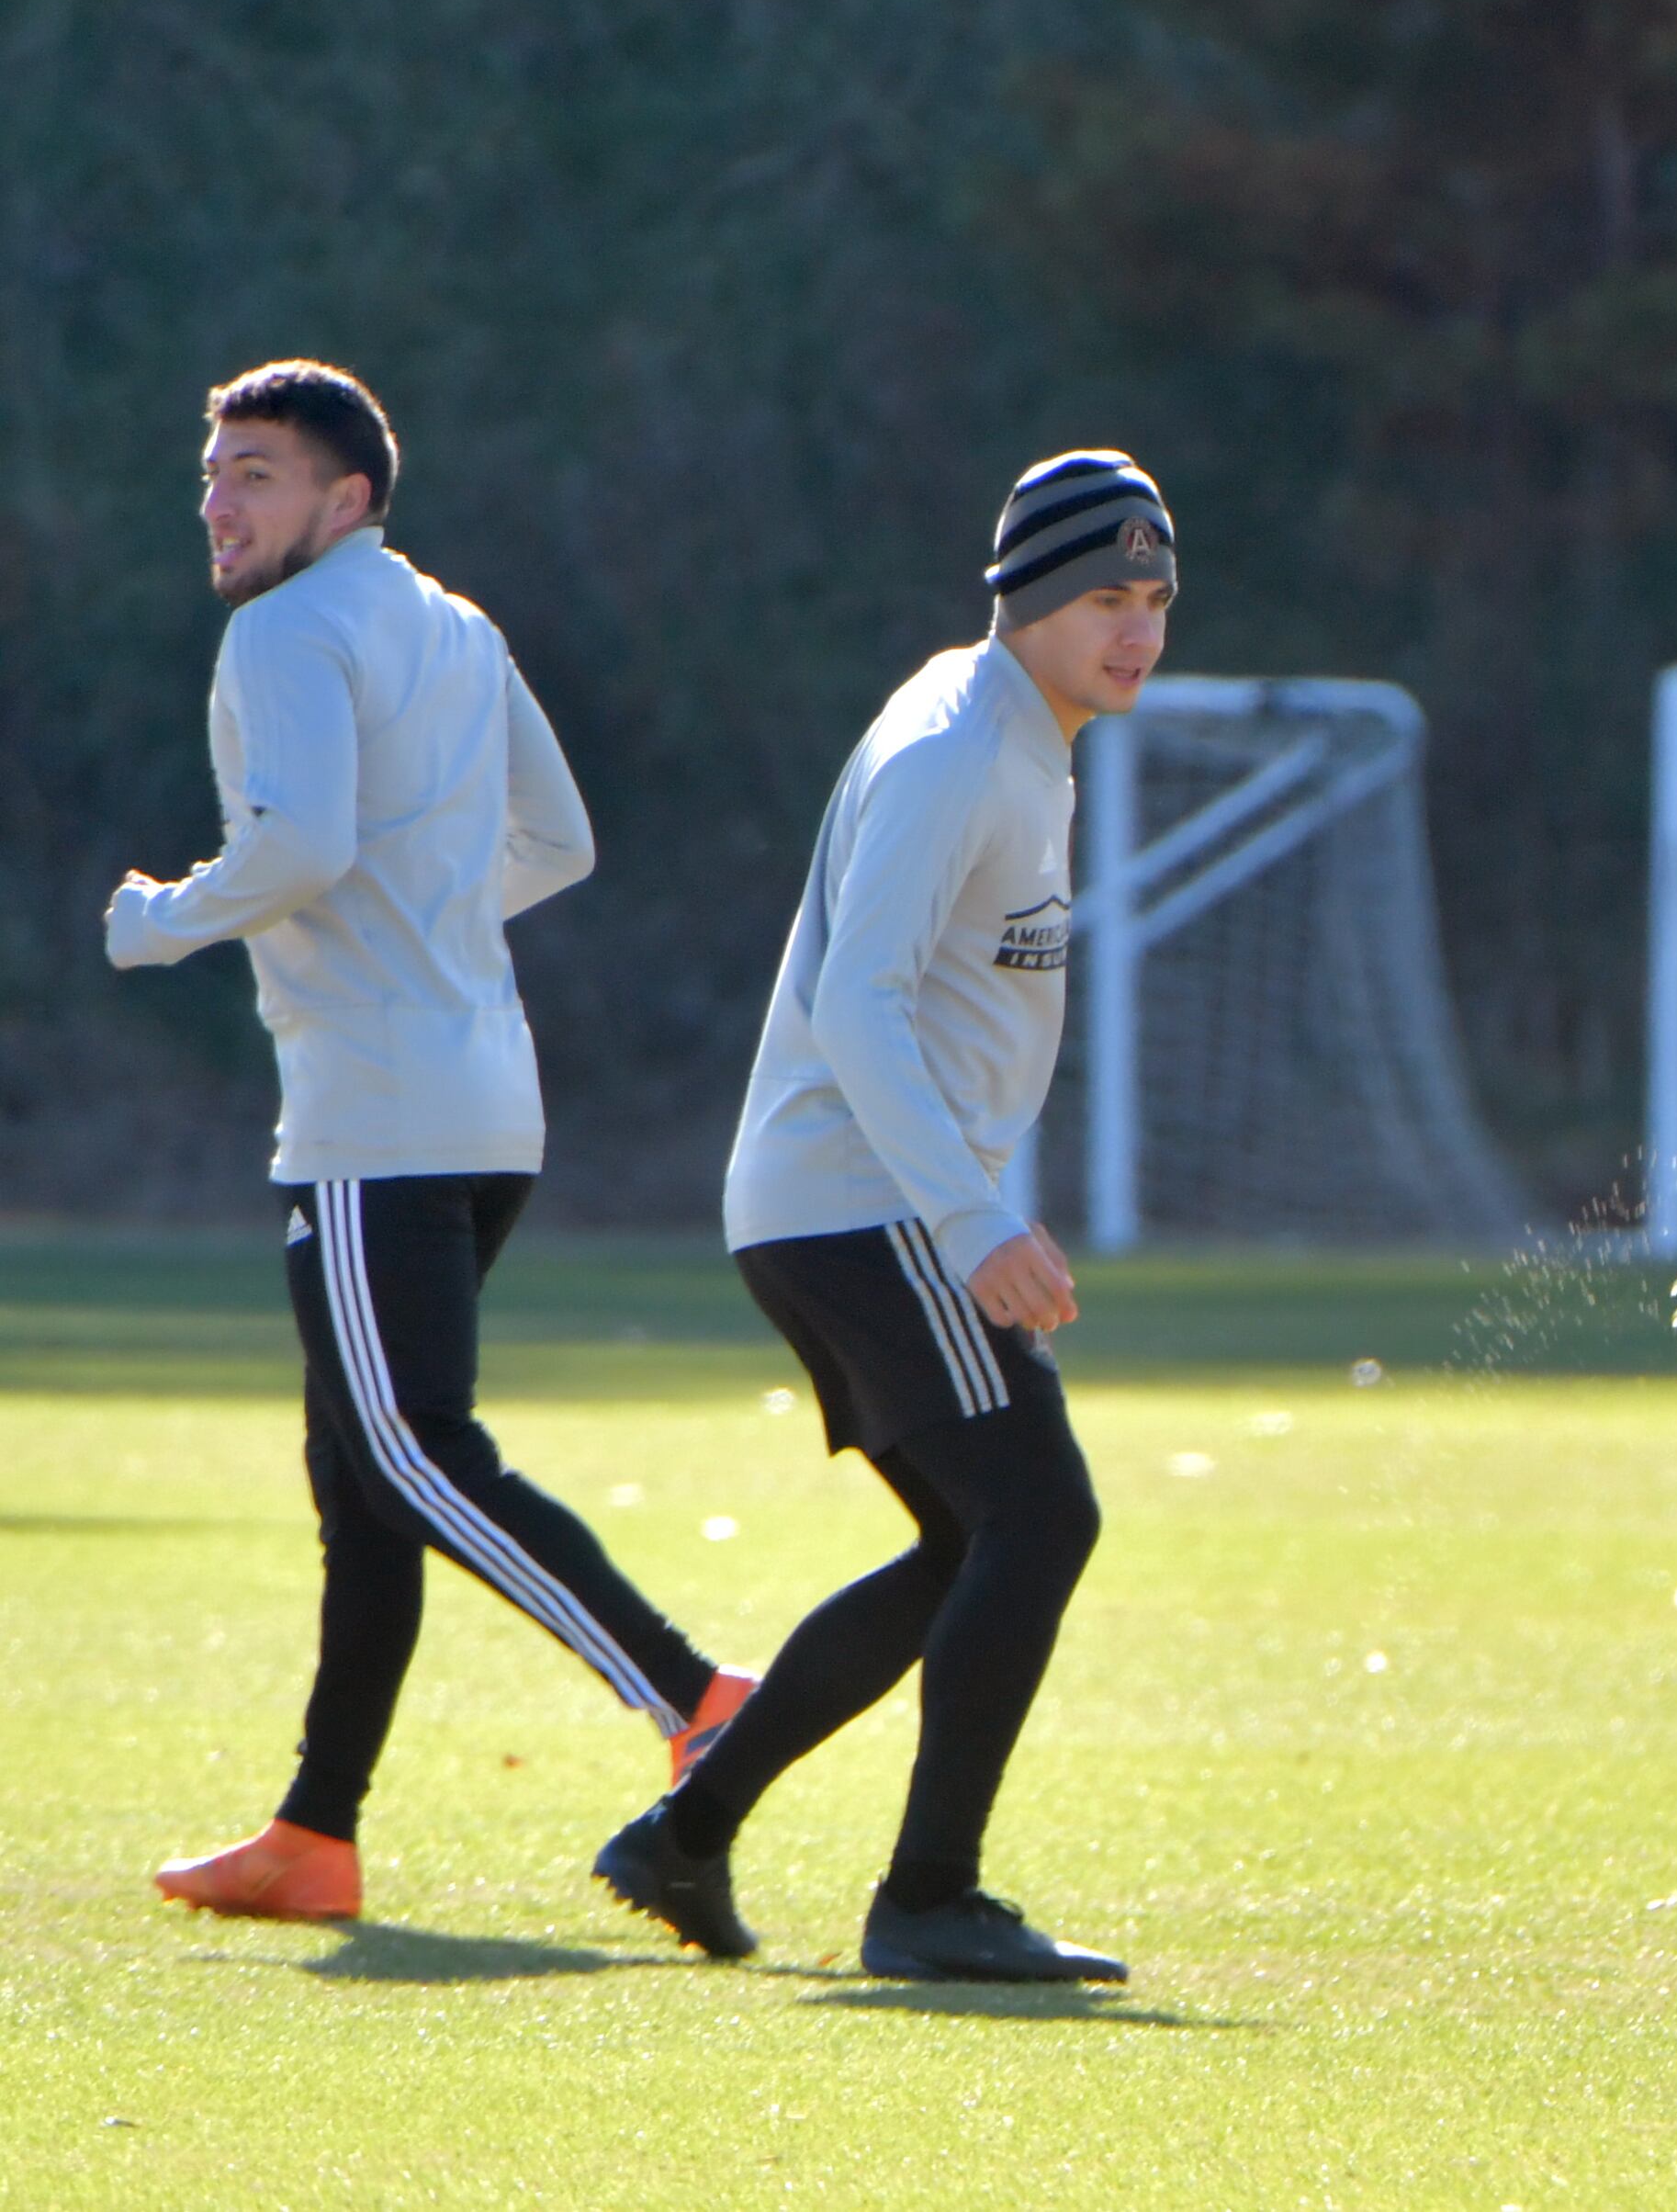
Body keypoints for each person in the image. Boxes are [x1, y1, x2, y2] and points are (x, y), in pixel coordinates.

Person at [107, 360, 748, 1924]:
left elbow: (306, 844)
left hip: (377, 1117)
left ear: (348, 499)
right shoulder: (457, 626)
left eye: (254, 473)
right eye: (212, 471)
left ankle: (691, 1691)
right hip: (488, 1105)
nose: (218, 500)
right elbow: (561, 842)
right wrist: (426, 921)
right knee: (362, 1478)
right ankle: (314, 1835)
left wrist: (162, 922)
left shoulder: (284, 629)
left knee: (409, 1452)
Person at [592, 449, 1174, 1983]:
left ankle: (687, 1834)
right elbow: (860, 1001)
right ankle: (928, 1899)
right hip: (864, 1204)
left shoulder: (1020, 734)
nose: (1138, 627)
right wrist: (976, 1217)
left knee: (968, 1546)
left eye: (1157, 597)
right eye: (1109, 595)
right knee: (1042, 1514)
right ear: (1033, 599)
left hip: (841, 1203)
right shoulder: (956, 750)